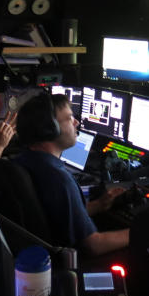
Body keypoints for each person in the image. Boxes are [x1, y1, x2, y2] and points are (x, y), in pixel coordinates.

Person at [14, 92, 128, 255]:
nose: (76, 122)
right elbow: (93, 245)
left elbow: (54, 216)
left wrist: (97, 205)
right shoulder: (58, 178)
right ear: (50, 129)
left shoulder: (25, 161)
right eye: (69, 118)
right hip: (68, 265)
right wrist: (140, 231)